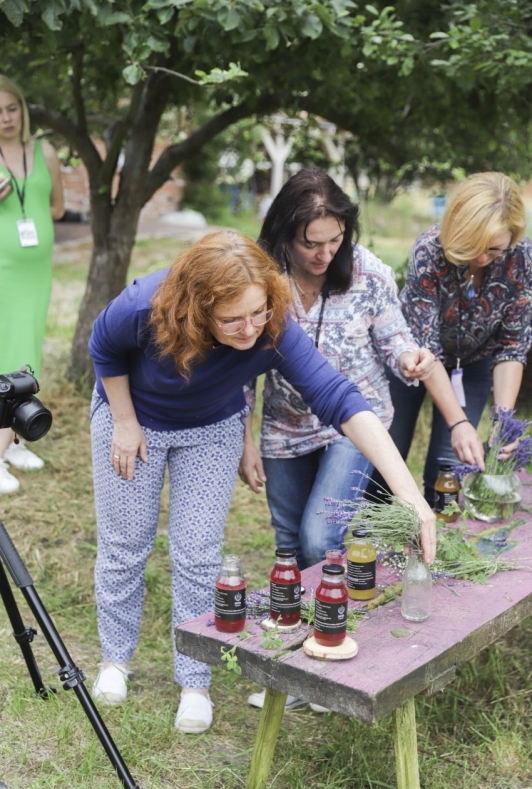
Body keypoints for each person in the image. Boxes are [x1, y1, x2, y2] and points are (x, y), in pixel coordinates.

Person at [88, 229, 436, 734]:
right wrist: (122, 420)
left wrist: (410, 495)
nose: (250, 329)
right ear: (196, 309)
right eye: (231, 320)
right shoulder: (147, 304)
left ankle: (194, 681)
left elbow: (339, 398)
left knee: (199, 553)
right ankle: (115, 660)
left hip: (211, 429)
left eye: (258, 313)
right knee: (125, 544)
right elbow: (104, 345)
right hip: (133, 419)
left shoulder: (272, 325)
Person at [238, 169, 435, 570]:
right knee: (290, 543)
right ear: (284, 234)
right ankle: (309, 625)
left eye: (335, 240)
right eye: (310, 244)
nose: (325, 255)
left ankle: (340, 619)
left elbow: (396, 338)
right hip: (285, 425)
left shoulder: (369, 273)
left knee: (319, 538)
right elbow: (241, 369)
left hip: (355, 420)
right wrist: (245, 440)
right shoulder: (260, 278)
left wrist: (409, 358)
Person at [375, 172, 532, 506]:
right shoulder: (427, 253)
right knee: (388, 457)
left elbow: (512, 345)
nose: (481, 258)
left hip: (473, 363)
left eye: (494, 249)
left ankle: (438, 535)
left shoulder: (521, 260)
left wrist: (503, 422)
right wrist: (458, 421)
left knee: (449, 464)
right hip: (413, 363)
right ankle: (379, 534)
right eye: (474, 246)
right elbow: (425, 349)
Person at [0, 75, 64, 494]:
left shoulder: (46, 152)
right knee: (8, 352)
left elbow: (56, 207)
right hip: (2, 269)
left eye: (11, 109)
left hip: (35, 272)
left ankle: (13, 440)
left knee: (26, 353)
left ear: (23, 110)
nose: (5, 118)